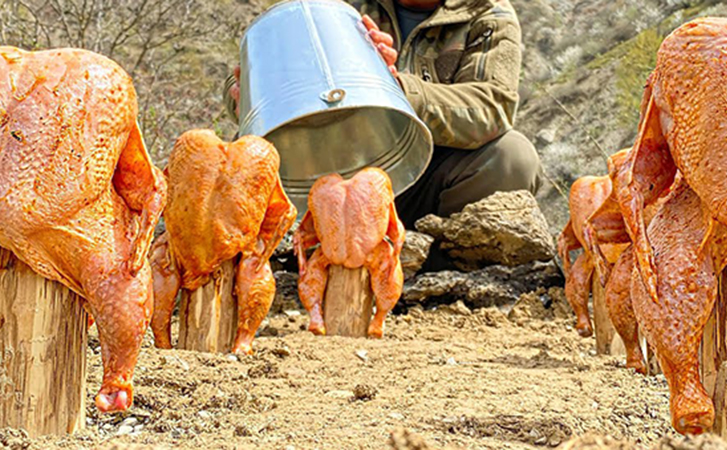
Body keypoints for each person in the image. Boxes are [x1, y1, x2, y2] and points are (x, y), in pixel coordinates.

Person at [223, 0, 542, 231]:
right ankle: (276, 260)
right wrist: (249, 97)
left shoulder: (487, 13)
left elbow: (492, 107)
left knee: (511, 156)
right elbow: (262, 65)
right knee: (236, 157)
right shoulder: (340, 5)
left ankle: (442, 268)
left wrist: (394, 86)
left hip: (425, 184)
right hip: (331, 174)